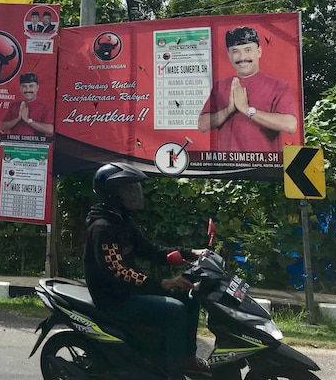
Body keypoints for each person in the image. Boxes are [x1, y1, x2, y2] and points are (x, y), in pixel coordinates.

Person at [84, 163, 209, 380]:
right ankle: (174, 373)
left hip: (127, 290)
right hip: (114, 298)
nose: (134, 193)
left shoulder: (121, 220)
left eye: (133, 188)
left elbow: (151, 250)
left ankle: (186, 357)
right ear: (112, 193)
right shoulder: (103, 228)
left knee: (189, 296)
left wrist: (191, 253)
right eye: (127, 189)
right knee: (175, 310)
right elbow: (118, 271)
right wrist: (162, 283)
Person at [197, 26, 298, 151]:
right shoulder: (221, 86)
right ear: (229, 55)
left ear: (259, 52)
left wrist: (247, 110)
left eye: (248, 50)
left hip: (263, 166)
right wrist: (228, 110)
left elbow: (290, 125)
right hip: (225, 166)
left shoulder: (278, 86)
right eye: (235, 51)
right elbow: (202, 125)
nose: (242, 57)